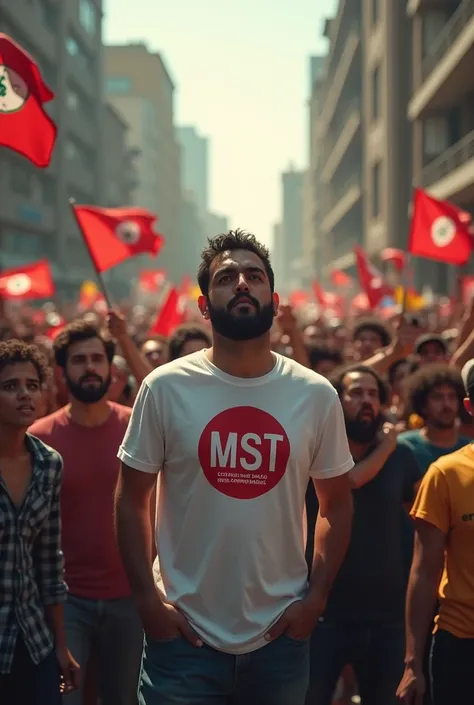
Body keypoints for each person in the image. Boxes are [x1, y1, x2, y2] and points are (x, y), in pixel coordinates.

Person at [115, 229, 354, 705]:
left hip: (281, 638)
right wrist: (147, 598)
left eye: (254, 275)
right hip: (182, 639)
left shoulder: (316, 395)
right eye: (227, 277)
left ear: (274, 297)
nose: (242, 283)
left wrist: (316, 599)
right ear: (204, 306)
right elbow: (131, 498)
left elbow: (336, 505)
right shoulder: (165, 388)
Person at [29, 321, 143, 705]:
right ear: (62, 371)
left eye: (98, 358)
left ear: (112, 368)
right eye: (79, 360)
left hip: (132, 597)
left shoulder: (137, 427)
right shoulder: (40, 439)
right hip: (65, 603)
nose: (90, 367)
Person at [306, 364, 422, 705]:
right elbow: (351, 481)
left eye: (373, 394)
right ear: (337, 401)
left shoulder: (402, 456)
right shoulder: (319, 449)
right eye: (355, 393)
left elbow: (419, 519)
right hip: (321, 612)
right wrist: (385, 446)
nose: (366, 401)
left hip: (386, 617)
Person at [0, 340, 78, 704]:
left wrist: (61, 646)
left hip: (32, 641)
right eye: (11, 386)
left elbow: (49, 562)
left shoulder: (49, 464)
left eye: (32, 385)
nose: (24, 395)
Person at [397, 361, 474, 705]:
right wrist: (413, 662)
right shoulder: (445, 474)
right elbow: (424, 570)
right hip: (460, 643)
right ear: (470, 406)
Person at [400, 365, 470, 474]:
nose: (446, 404)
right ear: (423, 404)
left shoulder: (470, 448)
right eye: (438, 397)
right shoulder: (404, 446)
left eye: (451, 397)